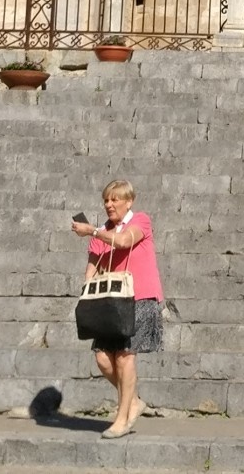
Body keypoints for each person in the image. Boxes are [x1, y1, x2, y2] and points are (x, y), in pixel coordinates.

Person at [71, 179, 162, 438]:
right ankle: (133, 402)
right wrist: (86, 293)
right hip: (110, 302)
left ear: (129, 201)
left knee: (124, 356)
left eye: (115, 199)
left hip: (139, 296)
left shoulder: (140, 221)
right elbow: (91, 267)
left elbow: (123, 242)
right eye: (106, 200)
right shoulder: (101, 231)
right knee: (102, 358)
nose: (109, 205)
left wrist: (92, 231)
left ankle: (122, 419)